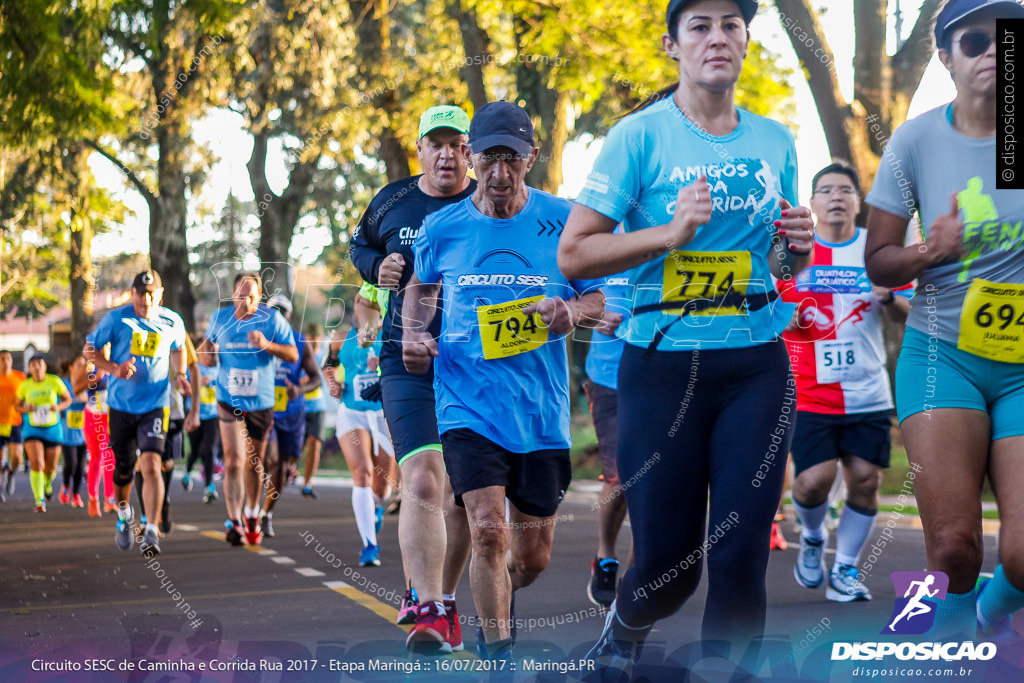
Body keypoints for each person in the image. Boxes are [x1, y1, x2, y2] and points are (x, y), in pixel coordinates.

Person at [558, 0, 816, 671]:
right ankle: (624, 631)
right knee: (671, 568)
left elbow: (783, 263)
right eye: (700, 26)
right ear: (672, 45)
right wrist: (670, 235)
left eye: (731, 25)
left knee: (739, 554)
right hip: (662, 366)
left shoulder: (775, 140)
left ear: (747, 42)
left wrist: (801, 248)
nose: (717, 37)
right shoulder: (638, 137)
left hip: (755, 365)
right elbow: (575, 255)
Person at [403, 100, 606, 661]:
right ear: (472, 155)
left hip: (540, 412)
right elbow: (421, 290)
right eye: (488, 158)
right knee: (488, 528)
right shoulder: (442, 227)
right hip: (467, 400)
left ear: (531, 158)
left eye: (510, 161)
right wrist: (415, 335)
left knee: (530, 559)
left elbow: (602, 294)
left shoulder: (565, 221)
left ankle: (494, 598)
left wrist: (573, 314)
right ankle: (499, 658)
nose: (497, 174)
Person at [864, 0, 1024, 641]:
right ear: (945, 58)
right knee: (955, 547)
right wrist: (934, 250)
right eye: (977, 40)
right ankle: (955, 639)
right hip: (942, 357)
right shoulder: (918, 139)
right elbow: (879, 262)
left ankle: (989, 613)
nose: (994, 52)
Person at [349, 105, 477, 653]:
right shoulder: (392, 201)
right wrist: (376, 269)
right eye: (436, 144)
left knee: (468, 496)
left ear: (469, 151)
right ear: (420, 149)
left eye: (456, 143)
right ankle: (429, 608)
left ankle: (440, 598)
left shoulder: (490, 201)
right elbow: (360, 247)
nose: (446, 153)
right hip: (406, 358)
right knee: (425, 478)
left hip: (479, 362)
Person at [781, 160, 911, 603]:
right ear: (813, 203)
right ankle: (814, 535)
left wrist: (891, 298)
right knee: (812, 482)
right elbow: (762, 312)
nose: (836, 197)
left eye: (845, 190)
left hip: (867, 392)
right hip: (808, 391)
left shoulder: (878, 254)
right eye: (826, 190)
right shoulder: (793, 253)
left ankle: (847, 569)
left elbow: (914, 316)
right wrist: (788, 317)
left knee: (866, 480)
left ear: (859, 202)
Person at [85, 270, 188, 554]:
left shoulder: (172, 320)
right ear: (133, 294)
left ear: (161, 294)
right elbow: (89, 349)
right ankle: (122, 517)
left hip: (156, 405)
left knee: (153, 462)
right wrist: (114, 369)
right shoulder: (117, 319)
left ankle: (151, 529)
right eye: (141, 294)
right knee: (123, 471)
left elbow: (179, 348)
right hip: (121, 407)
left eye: (151, 293)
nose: (146, 299)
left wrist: (180, 374)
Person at [197, 272, 297, 546]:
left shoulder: (271, 320)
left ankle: (252, 514)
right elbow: (205, 352)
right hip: (228, 399)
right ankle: (233, 520)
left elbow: (293, 354)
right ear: (232, 294)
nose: (246, 301)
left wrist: (267, 344)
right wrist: (205, 353)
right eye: (241, 295)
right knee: (233, 461)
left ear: (260, 297)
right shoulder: (220, 318)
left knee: (254, 463)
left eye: (251, 296)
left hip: (261, 402)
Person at [582, 267, 632, 608]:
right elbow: (568, 292)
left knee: (653, 482)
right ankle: (605, 556)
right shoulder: (597, 231)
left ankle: (636, 584)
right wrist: (590, 314)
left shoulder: (670, 223)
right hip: (609, 377)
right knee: (621, 478)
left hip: (665, 372)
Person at [327, 314, 391, 566]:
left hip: (383, 414)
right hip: (352, 413)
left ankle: (375, 505)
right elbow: (328, 365)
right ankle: (369, 545)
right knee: (362, 472)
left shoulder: (391, 334)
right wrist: (333, 383)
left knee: (382, 488)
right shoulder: (342, 337)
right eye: (360, 303)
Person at [260, 293, 321, 537]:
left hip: (293, 413)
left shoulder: (299, 342)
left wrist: (299, 388)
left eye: (282, 312)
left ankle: (266, 513)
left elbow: (315, 378)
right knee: (272, 460)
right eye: (273, 311)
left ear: (289, 316)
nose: (278, 316)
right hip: (266, 411)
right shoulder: (259, 340)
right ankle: (254, 505)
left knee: (284, 468)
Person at [15, 354, 72, 511]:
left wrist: (58, 407)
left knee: (50, 468)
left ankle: (47, 484)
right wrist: (26, 409)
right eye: (33, 364)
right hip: (32, 428)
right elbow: (17, 406)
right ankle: (39, 500)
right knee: (37, 463)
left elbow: (68, 400)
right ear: (30, 368)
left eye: (39, 363)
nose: (37, 366)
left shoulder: (54, 381)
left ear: (44, 366)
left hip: (53, 429)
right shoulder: (25, 385)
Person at [78, 349, 116, 517]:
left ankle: (110, 499)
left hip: (110, 418)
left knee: (109, 458)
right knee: (96, 458)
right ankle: (93, 499)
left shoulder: (116, 365)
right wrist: (96, 377)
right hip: (92, 417)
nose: (104, 350)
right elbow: (76, 388)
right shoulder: (88, 367)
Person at [183, 336, 220, 504]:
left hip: (213, 416)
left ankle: (209, 486)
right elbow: (183, 390)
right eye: (207, 350)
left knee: (209, 449)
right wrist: (199, 384)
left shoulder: (219, 369)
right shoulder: (194, 369)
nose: (211, 353)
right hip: (194, 414)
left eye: (212, 351)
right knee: (196, 449)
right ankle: (188, 471)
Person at [299, 323, 328, 499]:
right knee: (297, 449)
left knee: (315, 444)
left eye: (318, 337)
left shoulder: (325, 355)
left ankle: (307, 483)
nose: (315, 341)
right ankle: (290, 470)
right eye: (312, 337)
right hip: (300, 408)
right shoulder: (300, 354)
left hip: (319, 407)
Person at [59, 355, 90, 508]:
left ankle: (76, 495)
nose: (82, 368)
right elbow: (57, 404)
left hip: (83, 433)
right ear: (71, 367)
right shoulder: (63, 385)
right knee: (71, 463)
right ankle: (65, 485)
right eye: (79, 364)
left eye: (84, 365)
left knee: (80, 467)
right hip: (66, 433)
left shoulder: (88, 385)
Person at [0, 349, 26, 502]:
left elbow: (26, 397)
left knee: (17, 459)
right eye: (2, 359)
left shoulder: (20, 377)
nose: (5, 361)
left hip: (14, 422)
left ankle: (10, 473)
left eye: (7, 358)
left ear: (11, 360)